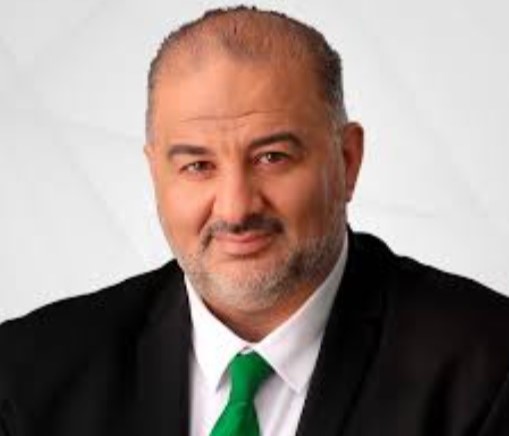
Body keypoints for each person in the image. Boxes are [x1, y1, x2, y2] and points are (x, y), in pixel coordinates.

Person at [1, 6, 508, 436]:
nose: (235, 208)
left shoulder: (489, 368)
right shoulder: (28, 375)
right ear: (156, 174)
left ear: (347, 160)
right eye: (198, 166)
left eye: (272, 157)